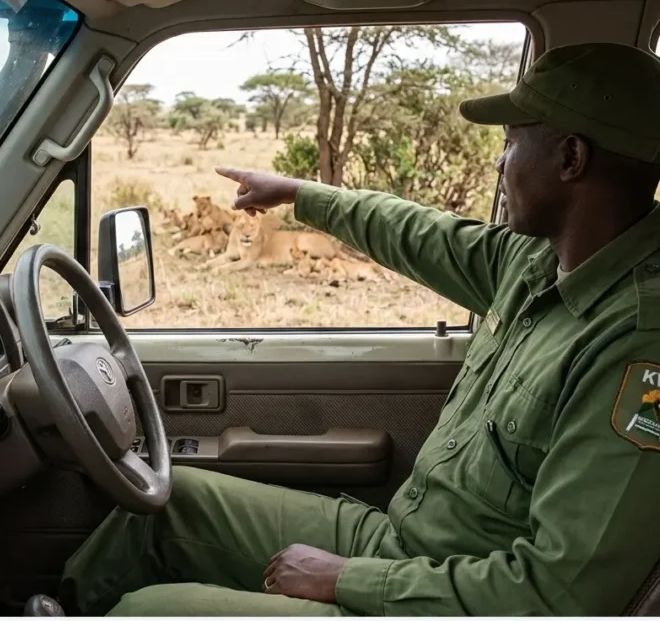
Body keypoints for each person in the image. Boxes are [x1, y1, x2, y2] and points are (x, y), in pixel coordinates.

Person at [60, 42, 660, 616]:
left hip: (449, 595)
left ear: (570, 159)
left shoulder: (634, 342)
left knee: (144, 613)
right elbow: (417, 233)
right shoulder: (537, 262)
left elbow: (561, 599)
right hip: (403, 546)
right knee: (170, 504)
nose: (501, 164)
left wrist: (347, 579)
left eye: (510, 144)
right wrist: (299, 194)